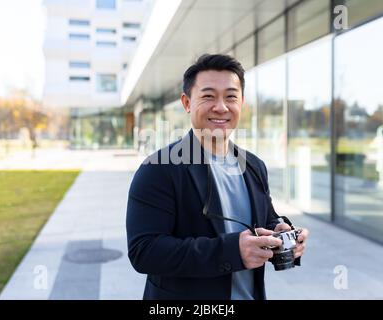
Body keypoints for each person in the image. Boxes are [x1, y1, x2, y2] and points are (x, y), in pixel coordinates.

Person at [126, 54, 309, 300]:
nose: (221, 107)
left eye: (231, 96)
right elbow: (144, 252)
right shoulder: (158, 169)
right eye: (208, 96)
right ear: (187, 103)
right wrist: (232, 251)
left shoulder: (254, 165)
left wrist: (281, 231)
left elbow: (266, 217)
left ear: (241, 102)